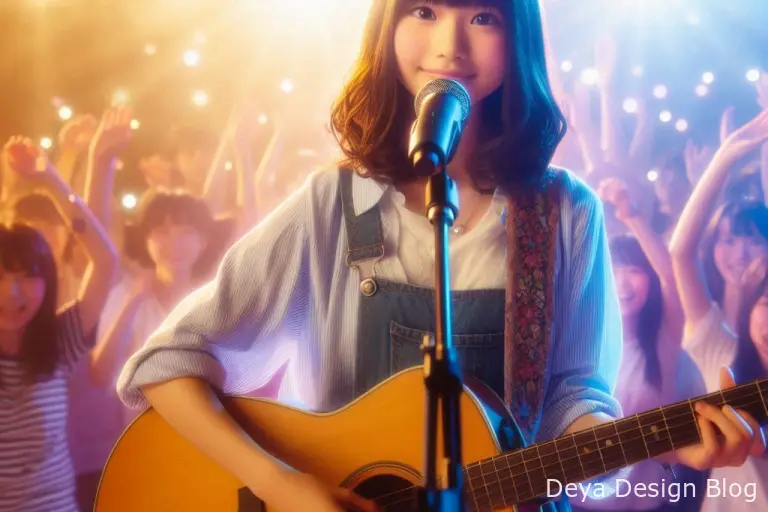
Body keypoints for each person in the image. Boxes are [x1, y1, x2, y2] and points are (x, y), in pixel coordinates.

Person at [117, 2, 763, 512]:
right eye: (423, 10)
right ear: (387, 24)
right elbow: (167, 363)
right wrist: (280, 483)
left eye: (482, 17)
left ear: (519, 37)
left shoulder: (567, 213)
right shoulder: (331, 206)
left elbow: (573, 399)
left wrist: (668, 444)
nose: (450, 44)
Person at [67, 189, 230, 509]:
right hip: (143, 443)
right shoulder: (128, 296)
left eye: (186, 232)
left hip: (213, 444)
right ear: (145, 239)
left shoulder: (215, 298)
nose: (174, 242)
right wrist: (134, 301)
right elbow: (100, 373)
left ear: (204, 240)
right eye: (161, 231)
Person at [0, 137, 117, 512]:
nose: (12, 292)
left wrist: (50, 179)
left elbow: (105, 261)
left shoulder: (56, 343)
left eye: (26, 275)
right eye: (0, 277)